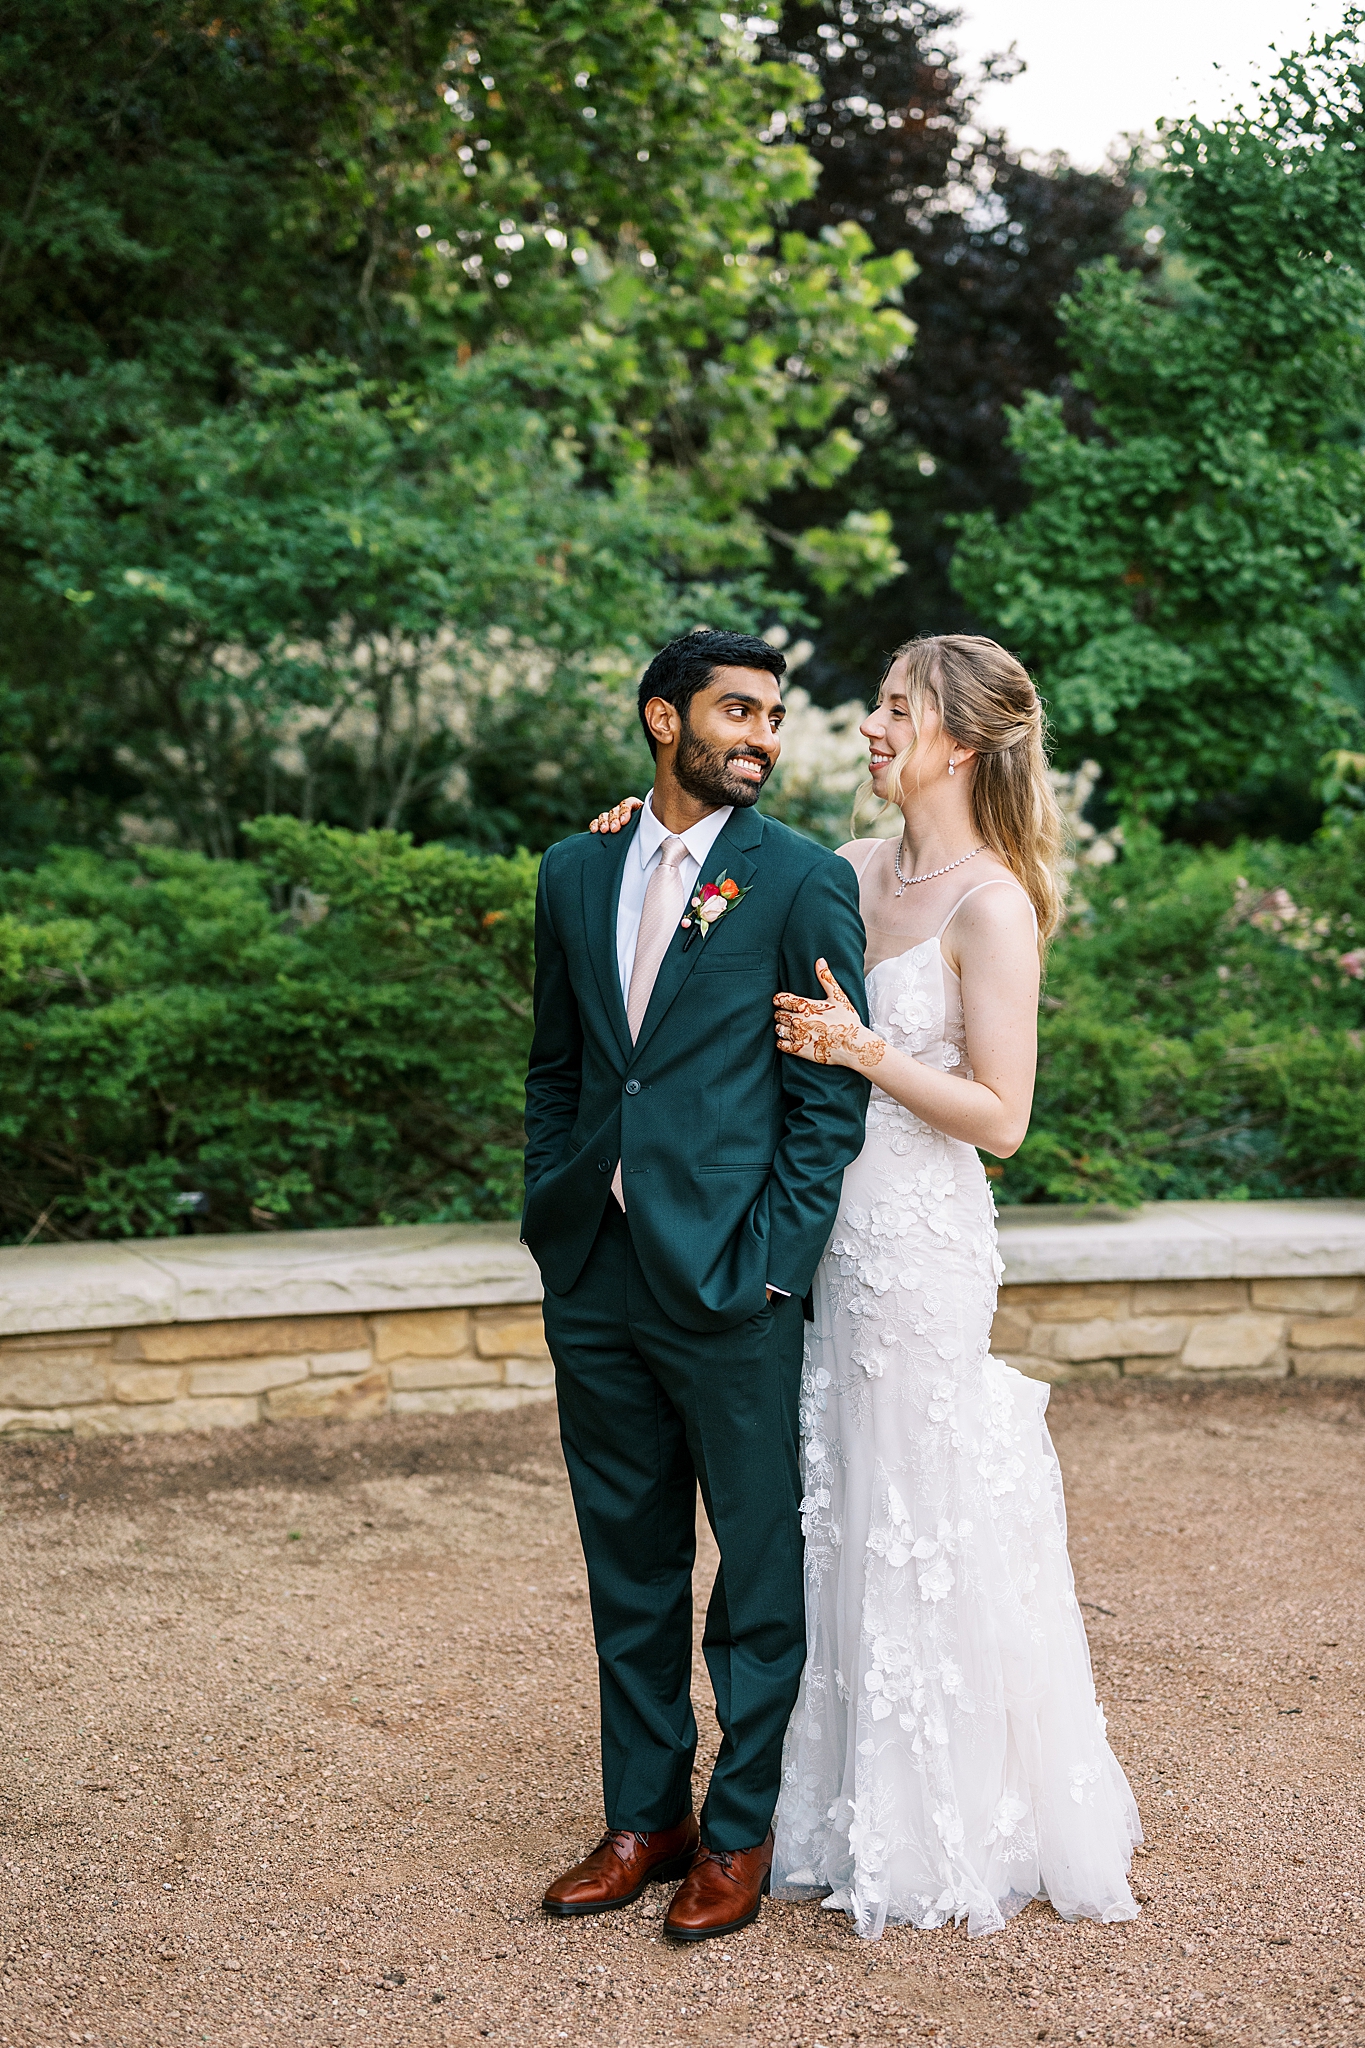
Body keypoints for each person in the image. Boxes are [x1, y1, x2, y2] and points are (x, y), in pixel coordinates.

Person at [587, 633, 1142, 1941]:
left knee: (908, 1494)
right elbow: (704, 920)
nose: (871, 725)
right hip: (807, 1232)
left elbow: (999, 1118)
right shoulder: (838, 869)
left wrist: (863, 1051)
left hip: (915, 1242)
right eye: (879, 705)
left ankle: (931, 1808)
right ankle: (807, 1796)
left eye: (896, 709)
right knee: (820, 1503)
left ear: (958, 740)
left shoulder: (991, 902)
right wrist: (635, 834)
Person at [523, 629, 872, 1943]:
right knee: (628, 1562)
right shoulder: (574, 870)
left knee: (757, 1574)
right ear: (662, 719)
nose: (764, 735)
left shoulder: (797, 880)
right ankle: (642, 1818)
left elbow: (826, 1099)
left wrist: (774, 1269)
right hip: (596, 1275)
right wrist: (555, 1213)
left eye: (773, 716)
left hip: (734, 1285)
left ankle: (737, 1830)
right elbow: (562, 1069)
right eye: (737, 710)